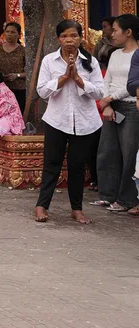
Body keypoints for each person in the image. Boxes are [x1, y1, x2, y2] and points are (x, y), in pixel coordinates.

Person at [35, 20, 103, 224]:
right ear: (58, 39)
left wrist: (80, 80)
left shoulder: (90, 62)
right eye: (64, 36)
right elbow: (42, 90)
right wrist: (64, 78)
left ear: (81, 38)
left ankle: (76, 208)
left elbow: (100, 92)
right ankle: (41, 206)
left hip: (85, 122)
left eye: (73, 36)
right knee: (51, 164)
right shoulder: (49, 60)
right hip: (57, 120)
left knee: (77, 166)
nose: (69, 40)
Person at [97, 14, 139, 214]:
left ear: (128, 32)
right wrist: (106, 104)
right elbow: (107, 80)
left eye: (115, 30)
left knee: (129, 153)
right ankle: (107, 195)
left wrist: (110, 98)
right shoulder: (115, 54)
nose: (111, 34)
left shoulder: (137, 54)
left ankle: (127, 198)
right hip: (111, 106)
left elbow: (133, 85)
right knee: (107, 151)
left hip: (131, 106)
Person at [0, 21, 28, 112]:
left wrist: (17, 75)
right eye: (7, 31)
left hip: (19, 88)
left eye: (13, 32)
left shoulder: (23, 51)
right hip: (1, 88)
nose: (9, 34)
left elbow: (30, 71)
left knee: (17, 113)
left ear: (18, 34)